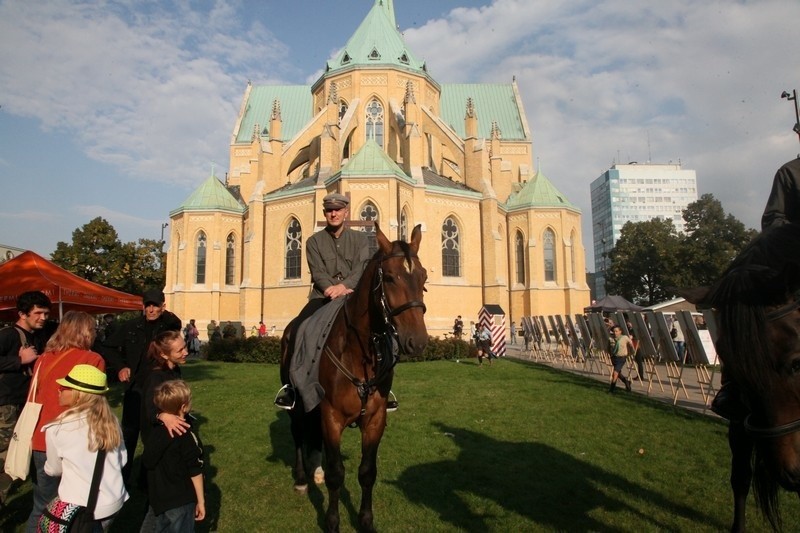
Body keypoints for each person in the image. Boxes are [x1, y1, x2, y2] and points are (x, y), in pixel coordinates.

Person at [712, 157, 800, 419]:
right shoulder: (790, 173)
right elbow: (774, 220)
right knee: (742, 293)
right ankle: (733, 385)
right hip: (796, 265)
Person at [274, 192, 370, 409]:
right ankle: (291, 388)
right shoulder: (313, 242)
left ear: (346, 212)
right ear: (325, 213)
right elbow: (317, 271)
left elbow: (361, 268)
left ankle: (382, 387)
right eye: (329, 210)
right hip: (321, 297)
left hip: (352, 297)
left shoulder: (360, 240)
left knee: (377, 331)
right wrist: (330, 288)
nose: (333, 213)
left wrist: (344, 287)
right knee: (297, 329)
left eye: (338, 209)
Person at [25, 311, 106, 532]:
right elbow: (93, 403)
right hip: (73, 439)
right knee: (73, 508)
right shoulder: (92, 359)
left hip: (40, 437)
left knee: (41, 503)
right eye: (92, 329)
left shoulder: (43, 358)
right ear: (85, 332)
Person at [102, 288, 181, 485]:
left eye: (155, 306)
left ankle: (149, 479)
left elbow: (176, 323)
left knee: (155, 434)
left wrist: (164, 311)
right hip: (136, 389)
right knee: (129, 434)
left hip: (160, 388)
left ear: (162, 307)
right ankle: (121, 478)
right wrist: (121, 366)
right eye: (148, 305)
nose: (151, 310)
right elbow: (107, 346)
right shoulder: (131, 326)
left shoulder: (167, 326)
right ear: (142, 306)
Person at [41, 364, 128, 530]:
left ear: (78, 394)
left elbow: (53, 469)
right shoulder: (111, 421)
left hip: (79, 508)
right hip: (113, 501)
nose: (59, 390)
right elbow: (122, 459)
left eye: (64, 387)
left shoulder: (58, 428)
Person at [0, 290, 51, 507]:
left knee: (16, 459)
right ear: (22, 314)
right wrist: (18, 360)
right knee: (6, 460)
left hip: (23, 404)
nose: (43, 318)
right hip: (5, 405)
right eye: (38, 313)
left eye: (46, 313)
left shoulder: (37, 336)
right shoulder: (8, 335)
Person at [141, 380, 205, 532]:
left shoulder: (155, 432)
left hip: (159, 499)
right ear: (184, 406)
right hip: (181, 499)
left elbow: (147, 461)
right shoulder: (185, 434)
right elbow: (195, 469)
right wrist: (201, 501)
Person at [140, 331, 190, 446]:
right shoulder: (155, 377)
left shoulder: (175, 369)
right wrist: (163, 416)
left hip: (175, 430)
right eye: (179, 351)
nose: (186, 352)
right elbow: (150, 410)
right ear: (164, 354)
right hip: (159, 436)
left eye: (185, 347)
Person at [608, 325, 634, 393]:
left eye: (616, 331)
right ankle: (627, 382)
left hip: (621, 358)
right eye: (614, 331)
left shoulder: (624, 338)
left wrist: (631, 348)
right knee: (618, 373)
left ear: (620, 331)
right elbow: (608, 348)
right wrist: (610, 355)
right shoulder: (611, 339)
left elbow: (631, 344)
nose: (615, 333)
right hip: (614, 358)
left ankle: (611, 389)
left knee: (615, 373)